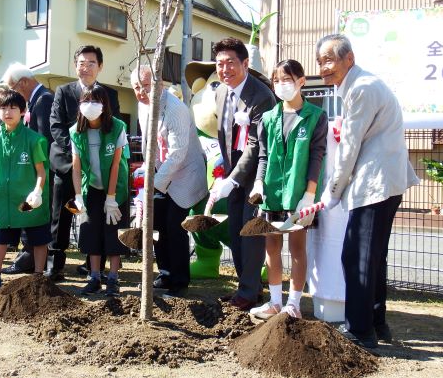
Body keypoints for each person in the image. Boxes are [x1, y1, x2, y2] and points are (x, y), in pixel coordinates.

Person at [316, 34, 419, 348]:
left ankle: (361, 332)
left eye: (329, 60)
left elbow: (349, 147)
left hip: (375, 184)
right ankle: (375, 323)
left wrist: (333, 190)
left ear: (349, 59)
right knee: (372, 257)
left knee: (357, 257)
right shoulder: (360, 85)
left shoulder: (360, 88)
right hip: (384, 182)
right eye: (320, 62)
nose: (323, 68)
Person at [249, 59, 327, 320]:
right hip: (271, 192)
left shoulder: (315, 116)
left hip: (297, 194)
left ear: (301, 81)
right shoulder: (269, 118)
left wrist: (309, 194)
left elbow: (317, 156)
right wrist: (259, 182)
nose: (281, 85)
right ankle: (273, 302)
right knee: (271, 247)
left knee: (297, 247)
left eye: (287, 79)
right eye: (277, 80)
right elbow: (263, 155)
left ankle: (293, 304)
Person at [208, 37, 276, 311]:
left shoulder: (261, 96)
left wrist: (235, 178)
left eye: (231, 63)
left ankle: (249, 293)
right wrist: (225, 172)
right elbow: (223, 135)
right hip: (232, 172)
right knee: (235, 230)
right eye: (220, 64)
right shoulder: (221, 92)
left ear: (245, 63)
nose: (225, 70)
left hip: (257, 172)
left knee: (250, 232)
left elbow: (257, 144)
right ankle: (245, 288)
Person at [130, 65, 207, 298]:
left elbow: (177, 153)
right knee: (157, 224)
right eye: (136, 87)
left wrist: (153, 183)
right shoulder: (144, 107)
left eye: (145, 86)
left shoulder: (176, 109)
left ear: (159, 83)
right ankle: (165, 272)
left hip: (185, 174)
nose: (141, 92)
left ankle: (179, 280)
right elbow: (149, 144)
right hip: (160, 172)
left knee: (175, 226)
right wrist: (147, 171)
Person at [49, 46, 120, 280]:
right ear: (75, 65)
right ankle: (55, 263)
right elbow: (56, 125)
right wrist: (76, 150)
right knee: (61, 215)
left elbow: (113, 128)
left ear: (100, 67)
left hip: (98, 170)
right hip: (67, 164)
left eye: (91, 63)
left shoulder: (109, 95)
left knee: (95, 218)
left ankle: (93, 266)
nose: (86, 67)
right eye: (81, 62)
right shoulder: (63, 91)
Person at [0, 89, 51, 296]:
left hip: (29, 199)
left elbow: (41, 171)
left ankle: (38, 277)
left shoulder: (34, 140)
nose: (8, 112)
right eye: (3, 108)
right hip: (3, 200)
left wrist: (37, 191)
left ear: (22, 111)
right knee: (1, 237)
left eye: (13, 108)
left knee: (38, 237)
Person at [70, 85, 129, 296]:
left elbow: (116, 165)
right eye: (86, 101)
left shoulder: (117, 127)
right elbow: (76, 167)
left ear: (105, 105)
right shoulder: (76, 131)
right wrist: (78, 197)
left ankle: (113, 278)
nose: (90, 106)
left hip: (116, 189)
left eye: (96, 101)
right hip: (91, 188)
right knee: (92, 232)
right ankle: (94, 276)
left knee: (114, 233)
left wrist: (111, 198)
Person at [0, 64, 54, 275]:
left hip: (40, 169)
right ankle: (27, 258)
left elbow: (45, 139)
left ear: (23, 82)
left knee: (35, 216)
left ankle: (29, 259)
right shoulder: (35, 101)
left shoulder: (44, 100)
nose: (12, 94)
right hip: (32, 169)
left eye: (13, 87)